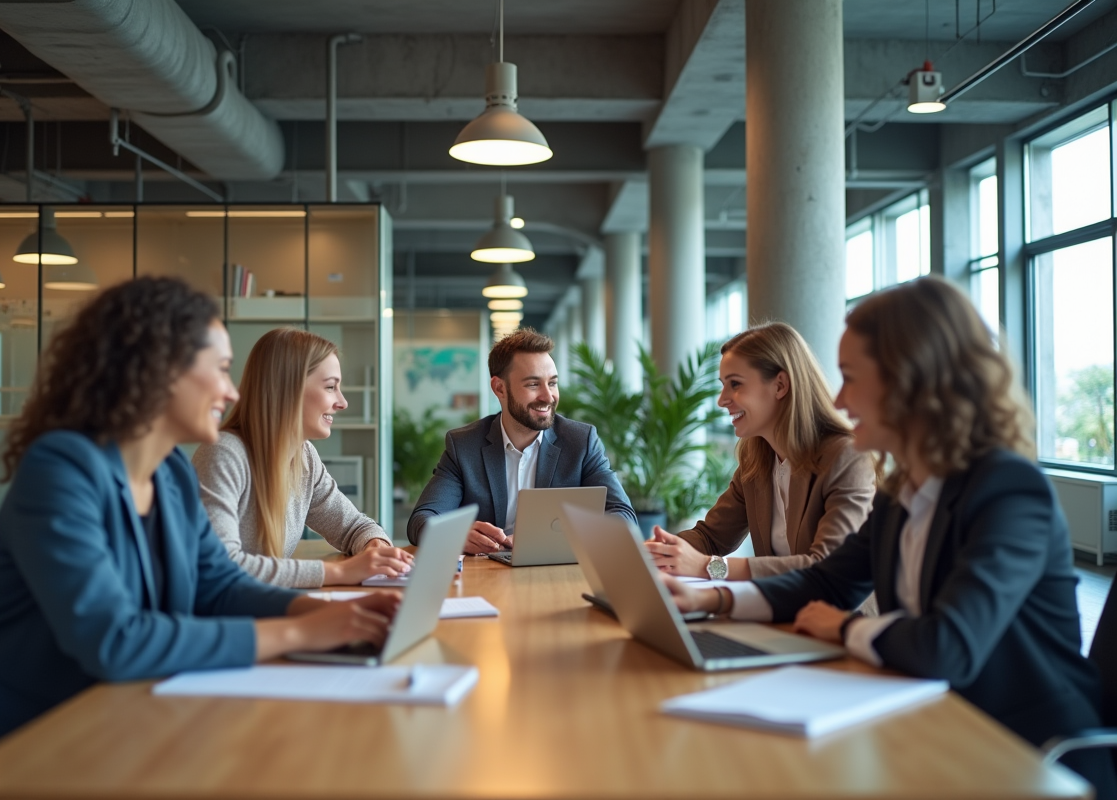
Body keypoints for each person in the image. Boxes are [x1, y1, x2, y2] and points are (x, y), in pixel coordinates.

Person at [665, 276, 1116, 795]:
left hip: (1026, 754)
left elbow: (949, 646)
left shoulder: (1010, 491)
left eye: (852, 377)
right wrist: (709, 598)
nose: (838, 396)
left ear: (913, 383)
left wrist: (845, 629)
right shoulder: (904, 489)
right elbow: (829, 582)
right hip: (935, 723)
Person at [0, 277, 400, 750]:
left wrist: (338, 616)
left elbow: (218, 585)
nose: (232, 391)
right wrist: (302, 629)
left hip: (123, 718)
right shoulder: (61, 472)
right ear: (160, 370)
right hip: (23, 741)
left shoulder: (170, 474)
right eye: (219, 369)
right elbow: (114, 640)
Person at [646, 322, 876, 581]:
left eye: (735, 384)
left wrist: (709, 567)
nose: (722, 400)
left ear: (780, 385)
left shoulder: (847, 457)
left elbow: (827, 566)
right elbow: (711, 537)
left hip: (840, 617)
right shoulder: (756, 461)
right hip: (780, 613)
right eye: (723, 385)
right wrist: (654, 552)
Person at [192, 329, 412, 588]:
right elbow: (222, 566)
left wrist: (376, 547)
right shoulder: (223, 454)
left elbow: (352, 526)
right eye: (330, 387)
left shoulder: (303, 456)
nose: (342, 402)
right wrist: (340, 572)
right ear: (287, 388)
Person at [408, 328, 636, 554]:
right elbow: (422, 520)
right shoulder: (464, 445)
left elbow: (624, 517)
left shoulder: (581, 442)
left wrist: (550, 539)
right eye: (533, 384)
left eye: (553, 383)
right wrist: (454, 535)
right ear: (499, 388)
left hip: (558, 573)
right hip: (487, 576)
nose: (548, 397)